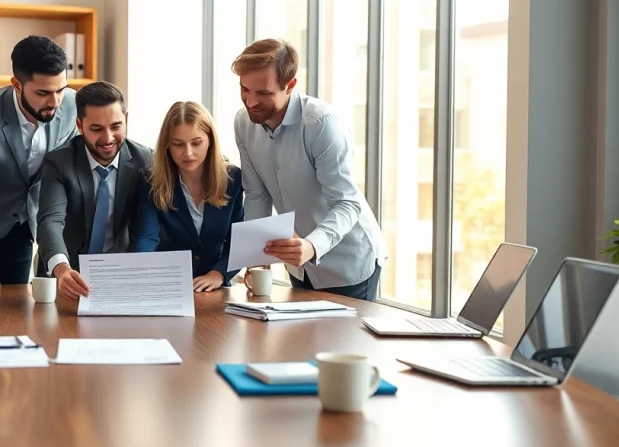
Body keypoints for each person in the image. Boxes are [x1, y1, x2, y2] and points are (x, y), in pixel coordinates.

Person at [232, 38, 388, 301]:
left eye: (264, 93)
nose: (251, 102)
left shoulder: (321, 124)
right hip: (300, 266)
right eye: (244, 89)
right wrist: (255, 257)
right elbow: (257, 195)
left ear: (290, 85)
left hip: (348, 264)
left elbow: (347, 203)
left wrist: (312, 246)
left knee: (339, 344)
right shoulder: (243, 124)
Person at [0, 35, 78, 286]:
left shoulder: (72, 105)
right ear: (16, 84)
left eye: (60, 90)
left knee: (16, 314)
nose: (55, 102)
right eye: (43, 93)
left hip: (28, 227)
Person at [36, 81, 153, 300]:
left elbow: (149, 227)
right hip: (65, 278)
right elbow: (50, 221)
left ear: (126, 120)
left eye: (116, 127)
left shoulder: (146, 161)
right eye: (97, 129)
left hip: (121, 278)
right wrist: (62, 269)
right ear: (79, 126)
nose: (108, 139)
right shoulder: (59, 162)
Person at [133, 101, 245, 292]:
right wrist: (142, 273)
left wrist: (218, 274)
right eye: (178, 144)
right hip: (166, 287)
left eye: (196, 143)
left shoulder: (233, 179)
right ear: (167, 145)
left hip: (214, 289)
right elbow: (147, 236)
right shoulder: (151, 180)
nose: (188, 153)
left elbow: (238, 242)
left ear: (210, 140)